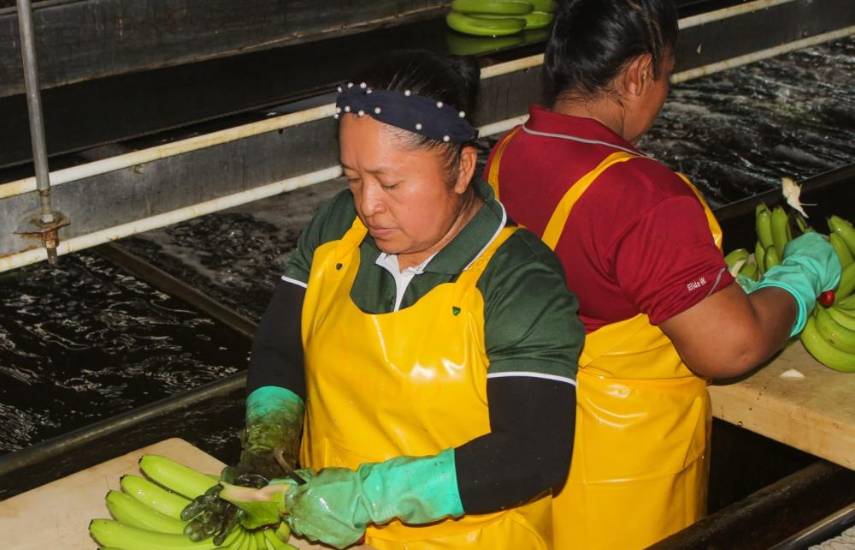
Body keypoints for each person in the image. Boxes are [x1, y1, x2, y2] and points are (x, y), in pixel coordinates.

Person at [183, 50, 585, 549]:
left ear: (461, 169)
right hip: (327, 537)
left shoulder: (520, 280)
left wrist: (367, 498)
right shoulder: (337, 230)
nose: (368, 205)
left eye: (390, 182)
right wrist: (270, 444)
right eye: (353, 179)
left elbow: (533, 453)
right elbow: (281, 348)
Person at [484, 1, 842, 548]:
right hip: (623, 480)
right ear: (636, 74)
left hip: (530, 444)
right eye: (666, 76)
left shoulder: (510, 152)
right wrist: (797, 281)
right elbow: (730, 348)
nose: (664, 93)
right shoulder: (642, 197)